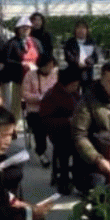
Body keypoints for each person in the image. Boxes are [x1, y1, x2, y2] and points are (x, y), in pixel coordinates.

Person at [71, 60, 110, 195]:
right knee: (100, 192)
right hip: (93, 162)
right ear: (102, 81)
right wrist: (98, 159)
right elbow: (79, 135)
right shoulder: (88, 100)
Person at [39, 66, 82, 195]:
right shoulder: (51, 96)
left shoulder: (74, 94)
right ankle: (64, 179)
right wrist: (68, 121)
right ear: (66, 84)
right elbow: (46, 121)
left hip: (75, 132)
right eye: (74, 85)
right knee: (65, 147)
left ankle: (81, 178)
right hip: (59, 133)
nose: (76, 88)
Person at [3, 16, 44, 121]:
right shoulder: (12, 43)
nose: (25, 30)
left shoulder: (36, 42)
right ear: (18, 29)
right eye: (23, 28)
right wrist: (21, 64)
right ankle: (15, 122)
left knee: (34, 100)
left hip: (35, 78)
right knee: (16, 102)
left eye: (27, 28)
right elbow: (7, 60)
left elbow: (42, 56)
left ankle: (34, 120)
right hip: (18, 78)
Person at [22, 54, 58, 166]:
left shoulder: (55, 75)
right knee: (40, 126)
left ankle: (60, 151)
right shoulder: (30, 75)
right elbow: (25, 94)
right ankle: (41, 152)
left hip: (52, 110)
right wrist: (39, 98)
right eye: (48, 65)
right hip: (35, 111)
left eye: (52, 65)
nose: (50, 68)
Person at [63, 19, 99, 89]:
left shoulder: (92, 42)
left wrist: (88, 62)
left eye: (83, 28)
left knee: (87, 92)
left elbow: (95, 57)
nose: (81, 30)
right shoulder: (70, 42)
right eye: (78, 28)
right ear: (75, 30)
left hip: (87, 74)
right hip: (73, 73)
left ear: (87, 30)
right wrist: (78, 63)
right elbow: (68, 56)